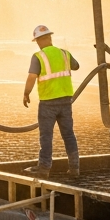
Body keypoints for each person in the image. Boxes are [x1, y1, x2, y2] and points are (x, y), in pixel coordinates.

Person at [22, 24, 80, 179]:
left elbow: (31, 77)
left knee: (46, 136)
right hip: (66, 101)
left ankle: (44, 168)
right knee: (68, 135)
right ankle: (75, 168)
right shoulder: (64, 53)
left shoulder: (38, 56)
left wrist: (26, 93)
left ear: (39, 41)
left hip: (48, 102)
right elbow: (76, 66)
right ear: (50, 37)